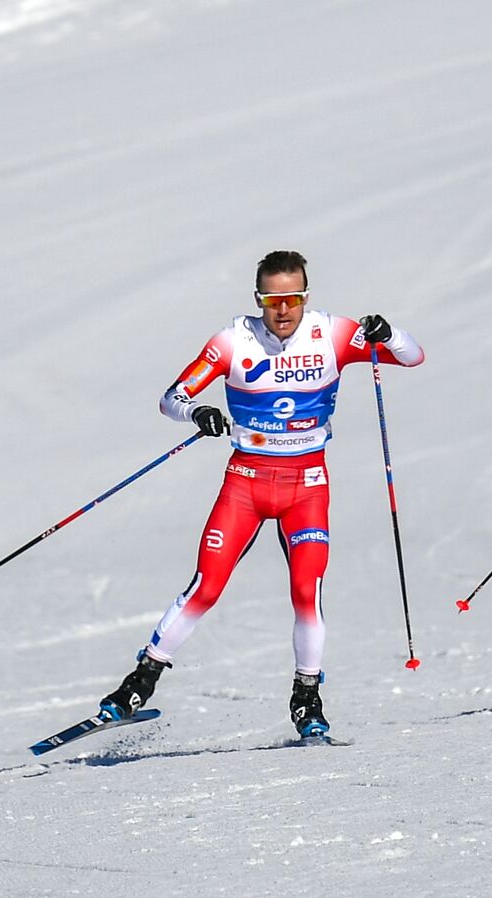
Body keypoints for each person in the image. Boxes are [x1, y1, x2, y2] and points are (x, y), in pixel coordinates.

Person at [98, 250, 424, 738]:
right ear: (259, 300)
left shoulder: (333, 332)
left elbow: (411, 357)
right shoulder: (233, 341)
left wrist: (389, 333)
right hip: (247, 483)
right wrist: (197, 414)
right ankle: (139, 682)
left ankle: (307, 697)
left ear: (305, 297)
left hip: (306, 486)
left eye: (293, 298)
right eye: (274, 299)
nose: (284, 309)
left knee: (305, 594)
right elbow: (172, 399)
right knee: (206, 587)